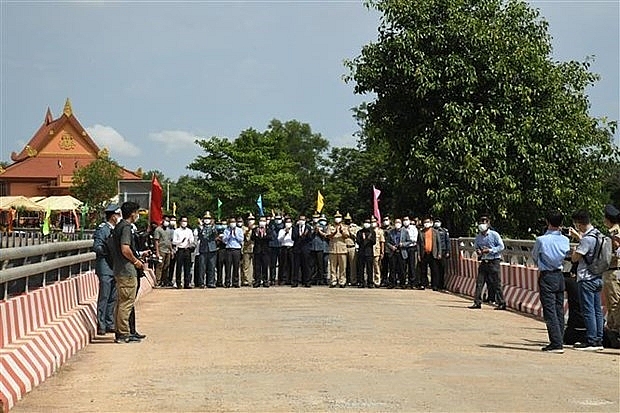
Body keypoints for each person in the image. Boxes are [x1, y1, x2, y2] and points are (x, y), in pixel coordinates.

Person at [532, 211, 571, 353]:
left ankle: (556, 342)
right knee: (559, 308)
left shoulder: (541, 240)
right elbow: (567, 256)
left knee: (549, 310)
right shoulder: (565, 240)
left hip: (547, 275)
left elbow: (535, 257)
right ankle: (559, 338)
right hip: (560, 275)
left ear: (548, 222)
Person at [569, 210, 604, 350]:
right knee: (597, 310)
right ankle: (598, 339)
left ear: (579, 223)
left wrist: (574, 251)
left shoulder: (587, 239)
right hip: (598, 276)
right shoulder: (599, 235)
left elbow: (575, 258)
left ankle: (591, 340)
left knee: (588, 310)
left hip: (586, 278)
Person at [110, 201, 144, 343]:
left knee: (121, 302)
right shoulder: (126, 227)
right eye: (137, 213)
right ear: (132, 213)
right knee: (126, 303)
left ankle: (121, 331)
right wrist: (136, 261)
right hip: (127, 271)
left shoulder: (118, 226)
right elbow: (125, 248)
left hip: (119, 269)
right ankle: (124, 333)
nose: (137, 215)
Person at [92, 204, 121, 336]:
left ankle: (109, 322)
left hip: (114, 266)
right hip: (105, 265)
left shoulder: (117, 229)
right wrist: (108, 251)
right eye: (118, 215)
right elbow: (97, 246)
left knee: (113, 297)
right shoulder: (102, 229)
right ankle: (101, 323)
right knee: (104, 295)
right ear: (113, 216)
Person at [469, 216, 506, 310]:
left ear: (488, 224)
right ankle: (477, 302)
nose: (482, 224)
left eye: (484, 222)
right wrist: (478, 251)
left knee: (496, 283)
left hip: (493, 261)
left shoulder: (494, 235)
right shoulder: (478, 237)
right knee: (479, 282)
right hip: (483, 261)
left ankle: (501, 303)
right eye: (481, 222)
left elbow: (501, 247)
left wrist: (490, 250)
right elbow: (476, 246)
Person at [602, 204, 620, 347]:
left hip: (613, 271)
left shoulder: (614, 232)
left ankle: (616, 333)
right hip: (613, 271)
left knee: (613, 304)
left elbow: (615, 250)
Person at [417, 216, 441, 291]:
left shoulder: (435, 232)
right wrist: (418, 254)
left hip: (433, 253)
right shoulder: (421, 232)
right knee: (423, 270)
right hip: (424, 253)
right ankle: (423, 284)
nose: (426, 224)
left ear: (431, 223)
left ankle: (434, 285)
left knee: (434, 270)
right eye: (425, 222)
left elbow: (438, 243)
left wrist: (439, 253)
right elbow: (418, 244)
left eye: (427, 222)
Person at [327, 211, 350, 288]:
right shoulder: (330, 226)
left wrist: (341, 231)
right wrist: (334, 233)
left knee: (342, 267)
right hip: (333, 249)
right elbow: (328, 236)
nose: (337, 219)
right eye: (336, 217)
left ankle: (342, 281)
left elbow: (347, 236)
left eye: (339, 217)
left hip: (342, 249)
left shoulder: (344, 227)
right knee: (333, 267)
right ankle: (333, 281)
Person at [172, 216, 195, 289]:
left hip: (187, 250)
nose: (184, 223)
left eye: (186, 221)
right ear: (180, 222)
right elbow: (174, 241)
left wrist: (190, 243)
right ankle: (178, 283)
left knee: (187, 267)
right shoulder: (177, 231)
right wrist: (180, 241)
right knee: (179, 267)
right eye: (183, 221)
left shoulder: (189, 231)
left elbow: (192, 240)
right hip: (180, 250)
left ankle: (187, 283)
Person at [198, 212, 218, 288]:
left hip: (212, 249)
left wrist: (213, 226)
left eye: (208, 218)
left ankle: (211, 282)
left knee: (212, 267)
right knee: (202, 267)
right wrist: (201, 226)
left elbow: (215, 234)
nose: (207, 220)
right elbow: (201, 235)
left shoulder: (213, 227)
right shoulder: (200, 227)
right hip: (203, 249)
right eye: (205, 218)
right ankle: (201, 282)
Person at [292, 214, 313, 287]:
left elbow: (310, 238)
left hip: (305, 249)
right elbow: (293, 237)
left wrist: (305, 236)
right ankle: (295, 281)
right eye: (301, 219)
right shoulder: (295, 227)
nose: (302, 221)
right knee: (296, 266)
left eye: (303, 220)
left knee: (306, 266)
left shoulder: (308, 228)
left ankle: (307, 281)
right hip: (297, 249)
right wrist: (300, 236)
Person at [222, 217, 244, 288]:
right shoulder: (226, 230)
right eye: (231, 222)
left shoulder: (239, 230)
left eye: (234, 222)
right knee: (228, 266)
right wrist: (229, 235)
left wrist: (235, 234)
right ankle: (227, 282)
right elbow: (224, 240)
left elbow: (241, 239)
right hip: (229, 249)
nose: (232, 223)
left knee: (236, 266)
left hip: (237, 249)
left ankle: (236, 282)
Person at [251, 216, 272, 287]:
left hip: (266, 251)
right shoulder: (255, 229)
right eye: (261, 220)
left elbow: (270, 238)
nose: (262, 222)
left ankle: (265, 280)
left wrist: (264, 235)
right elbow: (252, 238)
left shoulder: (268, 229)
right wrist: (256, 235)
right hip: (257, 250)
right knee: (257, 267)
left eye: (263, 221)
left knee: (265, 266)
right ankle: (257, 281)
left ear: (266, 222)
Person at [356, 217, 376, 288]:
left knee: (369, 268)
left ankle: (370, 282)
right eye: (365, 222)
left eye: (368, 222)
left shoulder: (372, 232)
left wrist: (368, 239)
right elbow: (357, 241)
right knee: (361, 268)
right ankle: (361, 282)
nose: (366, 224)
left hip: (369, 252)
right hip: (361, 252)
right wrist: (362, 239)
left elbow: (374, 242)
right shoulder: (360, 232)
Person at [152, 217, 172, 288]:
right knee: (159, 266)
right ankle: (158, 281)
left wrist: (171, 250)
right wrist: (157, 252)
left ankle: (164, 281)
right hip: (161, 250)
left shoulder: (168, 230)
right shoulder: (158, 230)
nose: (167, 222)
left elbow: (169, 241)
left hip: (167, 250)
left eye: (168, 221)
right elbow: (156, 241)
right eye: (166, 220)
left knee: (166, 266)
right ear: (162, 221)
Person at [402, 216, 419, 288]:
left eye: (406, 220)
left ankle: (412, 282)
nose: (405, 221)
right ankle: (404, 282)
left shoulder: (413, 228)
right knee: (403, 265)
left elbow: (414, 239)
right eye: (404, 220)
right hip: (404, 248)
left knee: (412, 265)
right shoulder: (402, 229)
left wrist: (407, 242)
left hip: (412, 248)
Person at [277, 217, 295, 285]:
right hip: (284, 247)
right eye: (287, 222)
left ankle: (291, 279)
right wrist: (285, 233)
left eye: (289, 222)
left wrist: (289, 232)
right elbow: (279, 239)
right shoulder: (281, 230)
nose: (288, 223)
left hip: (292, 247)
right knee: (283, 264)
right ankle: (283, 279)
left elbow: (294, 238)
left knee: (292, 264)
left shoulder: (294, 230)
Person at [434, 218, 450, 290]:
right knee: (435, 269)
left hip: (443, 251)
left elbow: (447, 242)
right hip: (434, 251)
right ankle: (435, 284)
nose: (437, 223)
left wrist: (447, 251)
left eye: (438, 222)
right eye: (435, 222)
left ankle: (441, 284)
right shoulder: (432, 231)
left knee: (442, 268)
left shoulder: (444, 231)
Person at [241, 214, 255, 287]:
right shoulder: (244, 228)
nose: (251, 221)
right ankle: (245, 280)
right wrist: (249, 229)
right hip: (247, 248)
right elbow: (243, 236)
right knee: (245, 266)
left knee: (255, 265)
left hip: (255, 248)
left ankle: (254, 279)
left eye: (252, 219)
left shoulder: (257, 228)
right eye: (249, 219)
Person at [371, 216, 385, 288]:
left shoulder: (380, 231)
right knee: (370, 267)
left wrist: (382, 252)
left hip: (377, 251)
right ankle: (371, 280)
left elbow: (382, 242)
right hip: (369, 251)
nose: (372, 223)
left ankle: (377, 281)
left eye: (374, 221)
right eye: (371, 221)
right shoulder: (369, 231)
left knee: (377, 266)